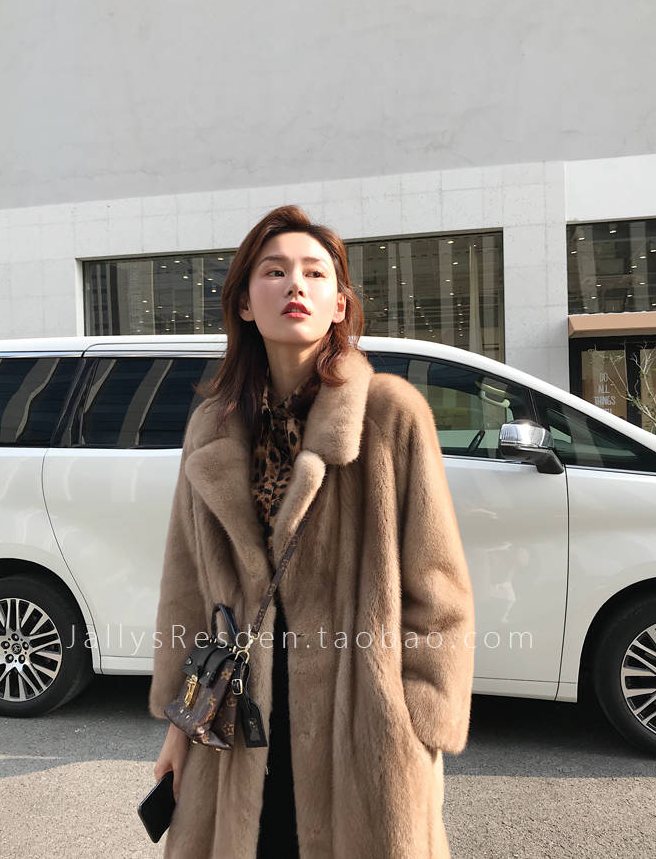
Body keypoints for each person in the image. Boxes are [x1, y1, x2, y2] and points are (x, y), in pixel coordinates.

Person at [149, 204, 476, 859]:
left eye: (314, 273)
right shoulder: (213, 429)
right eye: (274, 272)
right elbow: (187, 593)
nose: (295, 284)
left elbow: (439, 592)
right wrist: (179, 727)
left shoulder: (389, 415)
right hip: (238, 728)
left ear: (339, 304)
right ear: (245, 303)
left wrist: (418, 727)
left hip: (363, 734)